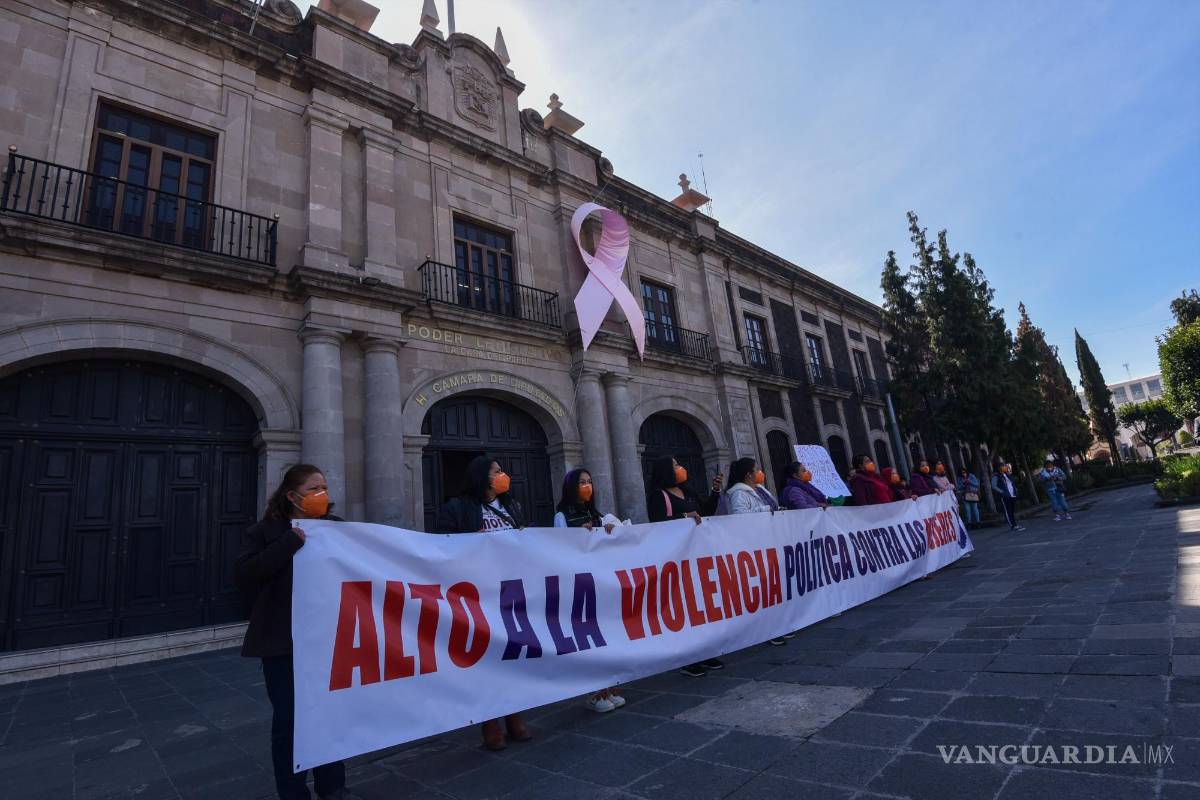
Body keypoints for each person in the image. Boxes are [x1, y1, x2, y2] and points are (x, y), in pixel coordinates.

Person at [235, 464, 355, 800]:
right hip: (282, 640)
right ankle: (293, 792)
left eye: (325, 487)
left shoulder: (334, 528)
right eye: (314, 488)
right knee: (289, 721)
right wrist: (289, 542)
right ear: (292, 495)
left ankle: (333, 786)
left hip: (327, 637)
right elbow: (245, 574)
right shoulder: (264, 531)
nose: (322, 495)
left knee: (328, 714)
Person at [435, 456, 532, 750]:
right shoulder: (458, 507)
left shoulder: (512, 507)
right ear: (482, 476)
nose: (504, 475)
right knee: (486, 657)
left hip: (510, 590)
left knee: (511, 654)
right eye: (497, 471)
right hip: (478, 592)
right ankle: (489, 720)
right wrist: (467, 540)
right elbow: (439, 543)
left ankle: (513, 713)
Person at [645, 455, 725, 676]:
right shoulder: (658, 496)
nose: (680, 468)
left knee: (702, 604)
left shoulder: (687, 492)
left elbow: (705, 512)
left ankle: (705, 651)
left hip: (697, 555)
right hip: (676, 559)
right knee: (685, 606)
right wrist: (684, 515)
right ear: (665, 471)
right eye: (675, 465)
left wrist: (716, 491)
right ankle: (688, 657)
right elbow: (658, 523)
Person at [554, 468, 624, 713]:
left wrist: (610, 532)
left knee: (607, 634)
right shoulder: (562, 515)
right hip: (580, 584)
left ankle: (610, 684)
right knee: (590, 637)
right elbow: (560, 548)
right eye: (582, 482)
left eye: (590, 481)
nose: (587, 486)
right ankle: (595, 692)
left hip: (601, 581)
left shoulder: (596, 513)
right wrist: (579, 537)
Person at [991, 462, 1026, 532]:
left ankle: (1015, 524)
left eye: (1004, 466)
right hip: (1005, 496)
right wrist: (1002, 492)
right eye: (1003, 466)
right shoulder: (996, 476)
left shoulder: (1007, 474)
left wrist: (1015, 489)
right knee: (1008, 511)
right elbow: (994, 486)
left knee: (1012, 511)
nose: (1005, 467)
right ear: (999, 468)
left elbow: (1011, 483)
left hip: (1012, 494)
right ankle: (1013, 525)